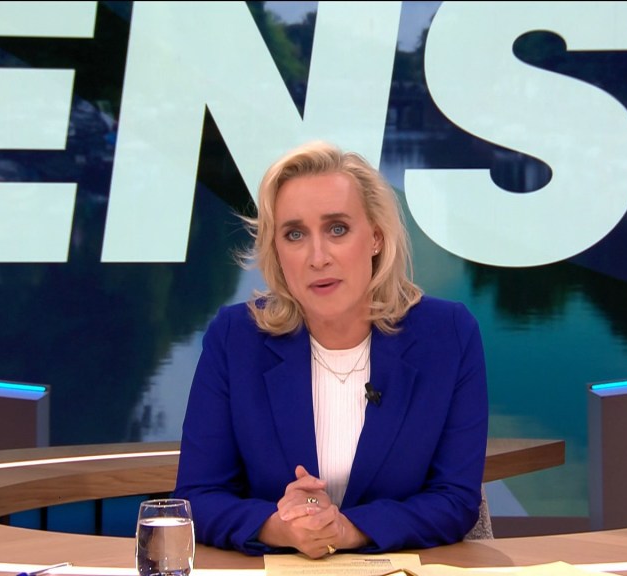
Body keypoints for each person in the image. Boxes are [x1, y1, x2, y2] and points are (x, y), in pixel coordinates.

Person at [172, 140, 489, 558]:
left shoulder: (446, 335)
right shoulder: (236, 338)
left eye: (337, 229)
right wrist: (280, 527)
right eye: (295, 234)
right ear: (276, 251)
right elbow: (198, 496)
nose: (317, 257)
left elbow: (455, 500)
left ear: (375, 237)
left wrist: (345, 530)